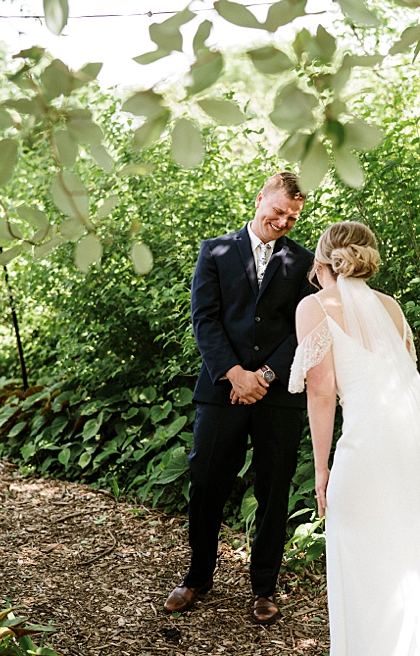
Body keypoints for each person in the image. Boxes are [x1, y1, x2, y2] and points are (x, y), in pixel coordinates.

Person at [289, 222, 420, 654]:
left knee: (366, 558)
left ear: (321, 260)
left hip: (365, 449)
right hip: (412, 442)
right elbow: (406, 378)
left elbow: (321, 390)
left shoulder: (315, 306)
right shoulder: (391, 307)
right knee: (414, 551)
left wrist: (321, 468)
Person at [164, 171, 316, 625]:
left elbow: (304, 327)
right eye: (278, 210)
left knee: (274, 488)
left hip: (278, 393)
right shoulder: (215, 251)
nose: (284, 220)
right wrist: (235, 373)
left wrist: (264, 375)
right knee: (207, 481)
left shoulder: (305, 262)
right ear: (260, 199)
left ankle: (265, 587)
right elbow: (204, 319)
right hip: (221, 390)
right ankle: (197, 577)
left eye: (293, 216)